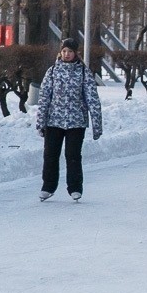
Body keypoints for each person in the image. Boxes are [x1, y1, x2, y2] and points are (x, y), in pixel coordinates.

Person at [35, 38, 103, 201]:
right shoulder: (52, 71)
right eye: (64, 51)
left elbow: (92, 98)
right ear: (60, 52)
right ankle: (48, 186)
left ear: (75, 53)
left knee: (73, 155)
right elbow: (44, 97)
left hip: (76, 121)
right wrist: (41, 121)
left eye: (70, 51)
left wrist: (97, 125)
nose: (67, 54)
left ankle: (75, 187)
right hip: (54, 121)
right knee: (50, 154)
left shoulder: (83, 72)